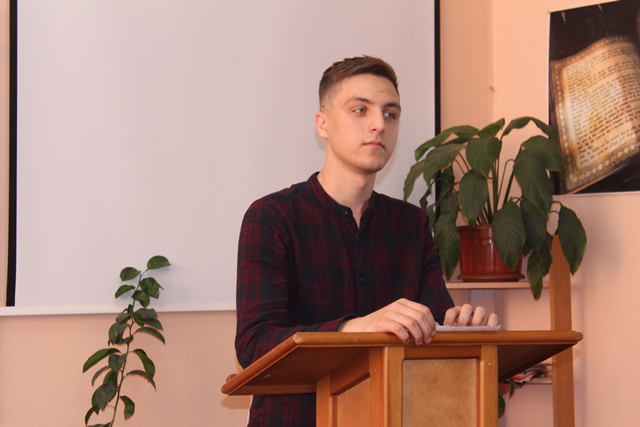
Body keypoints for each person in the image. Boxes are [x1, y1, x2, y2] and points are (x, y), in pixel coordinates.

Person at [234, 55, 498, 426]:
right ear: (323, 124)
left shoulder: (412, 224)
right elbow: (254, 342)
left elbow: (434, 323)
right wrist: (354, 327)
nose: (379, 124)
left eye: (391, 114)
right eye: (360, 110)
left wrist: (457, 329)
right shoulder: (272, 216)